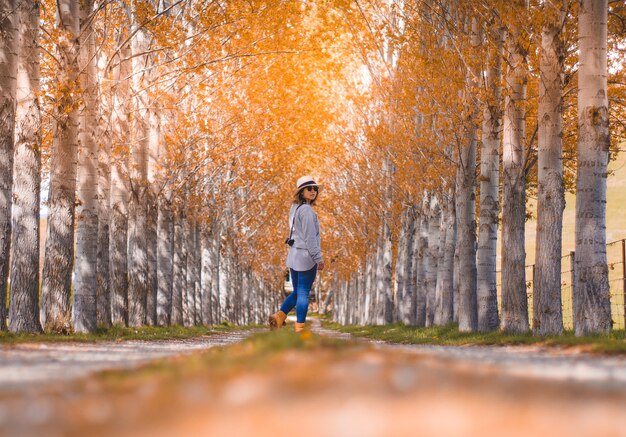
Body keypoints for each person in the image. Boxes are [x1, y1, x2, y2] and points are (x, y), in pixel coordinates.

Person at [269, 176, 325, 333]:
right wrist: (318, 258)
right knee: (303, 293)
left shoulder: (295, 208)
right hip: (306, 257)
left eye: (315, 189)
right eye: (309, 189)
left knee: (297, 291)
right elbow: (310, 238)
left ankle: (279, 316)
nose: (313, 191)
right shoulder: (307, 211)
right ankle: (300, 329)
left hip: (294, 256)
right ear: (301, 192)